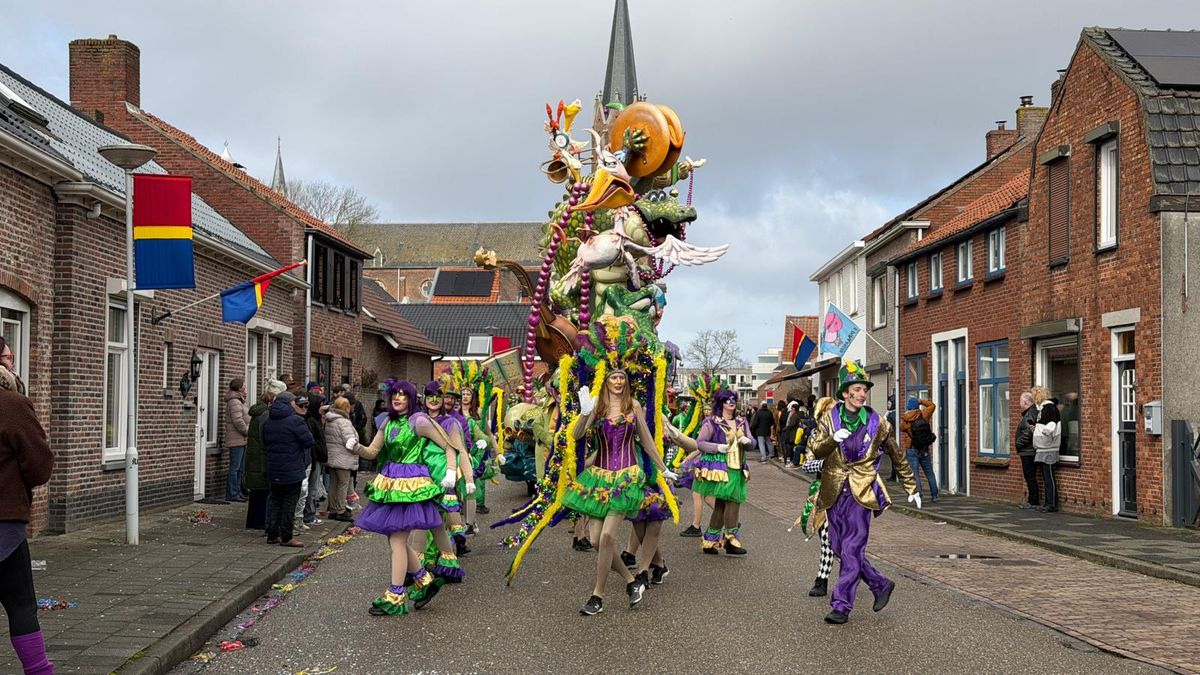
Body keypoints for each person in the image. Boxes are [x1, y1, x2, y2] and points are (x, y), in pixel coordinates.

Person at [808, 361, 919, 624]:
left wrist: (911, 486)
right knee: (838, 547)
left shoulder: (877, 422)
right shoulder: (829, 419)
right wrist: (832, 440)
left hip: (862, 492)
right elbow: (815, 450)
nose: (861, 394)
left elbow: (897, 454)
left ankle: (841, 605)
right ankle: (880, 584)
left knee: (852, 548)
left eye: (864, 390)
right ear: (845, 393)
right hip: (833, 491)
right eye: (856, 390)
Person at [564, 369, 677, 616]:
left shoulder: (632, 405)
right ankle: (630, 581)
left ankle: (597, 596)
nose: (618, 381)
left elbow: (646, 441)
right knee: (594, 540)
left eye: (621, 378)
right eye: (613, 377)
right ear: (605, 381)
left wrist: (663, 468)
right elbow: (576, 434)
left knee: (606, 537)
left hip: (626, 479)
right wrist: (584, 414)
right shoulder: (598, 406)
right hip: (598, 479)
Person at [349, 379, 462, 616]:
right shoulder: (387, 422)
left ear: (411, 399)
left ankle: (396, 595)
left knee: (397, 541)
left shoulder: (419, 421)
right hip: (391, 483)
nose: (397, 399)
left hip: (412, 484)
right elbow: (372, 451)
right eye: (394, 395)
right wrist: (355, 447)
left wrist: (451, 471)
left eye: (403, 395)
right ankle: (423, 581)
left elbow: (449, 446)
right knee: (395, 538)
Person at [0, 337, 55, 675]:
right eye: (7, 356)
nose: (12, 361)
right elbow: (39, 465)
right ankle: (39, 671)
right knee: (21, 605)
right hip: (3, 526)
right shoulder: (12, 404)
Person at [693, 390, 754, 555]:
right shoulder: (712, 421)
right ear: (720, 403)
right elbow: (700, 443)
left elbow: (753, 442)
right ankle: (731, 541)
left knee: (720, 506)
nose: (731, 402)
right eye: (727, 400)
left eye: (733, 400)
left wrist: (748, 441)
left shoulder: (742, 421)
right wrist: (717, 447)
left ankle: (710, 542)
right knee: (733, 503)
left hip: (738, 468)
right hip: (721, 469)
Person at [262, 391, 314, 547]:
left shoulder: (268, 421)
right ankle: (286, 537)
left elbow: (264, 442)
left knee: (276, 501)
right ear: (289, 404)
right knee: (289, 503)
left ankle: (272, 534)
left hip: (274, 467)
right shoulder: (296, 421)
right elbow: (309, 441)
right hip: (292, 469)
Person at [245, 380, 286, 530]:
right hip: (261, 459)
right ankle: (259, 522)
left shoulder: (259, 413)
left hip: (256, 458)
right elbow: (265, 438)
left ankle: (255, 521)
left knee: (257, 493)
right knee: (262, 492)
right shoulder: (265, 415)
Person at [325, 397, 360, 522]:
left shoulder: (330, 419)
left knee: (333, 484)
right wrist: (360, 449)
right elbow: (349, 441)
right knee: (343, 484)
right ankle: (341, 510)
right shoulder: (343, 422)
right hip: (343, 457)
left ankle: (333, 509)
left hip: (332, 456)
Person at [901, 397, 939, 503]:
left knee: (915, 473)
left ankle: (919, 495)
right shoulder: (924, 414)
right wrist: (921, 401)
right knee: (929, 472)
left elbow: (901, 428)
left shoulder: (905, 418)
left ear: (908, 406)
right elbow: (932, 405)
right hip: (924, 448)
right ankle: (935, 495)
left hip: (911, 448)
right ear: (917, 405)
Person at [1031, 386, 1061, 512]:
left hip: (1048, 448)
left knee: (1049, 477)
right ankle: (1048, 502)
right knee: (1046, 477)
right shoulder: (1044, 409)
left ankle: (1051, 504)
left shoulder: (1049, 408)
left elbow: (1052, 425)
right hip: (1043, 448)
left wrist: (1044, 431)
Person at [223, 378, 251, 502]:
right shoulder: (234, 401)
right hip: (237, 439)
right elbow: (238, 420)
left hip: (241, 439)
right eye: (244, 386)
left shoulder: (239, 400)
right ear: (239, 388)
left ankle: (238, 492)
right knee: (235, 468)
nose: (245, 388)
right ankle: (232, 493)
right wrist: (247, 431)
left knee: (240, 468)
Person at [1014, 391, 1040, 509]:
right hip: (1030, 450)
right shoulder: (1031, 413)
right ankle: (1032, 500)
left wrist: (1018, 444)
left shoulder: (1029, 415)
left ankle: (1033, 501)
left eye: (1020, 401)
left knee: (1029, 476)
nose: (1019, 403)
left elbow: (1029, 433)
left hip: (1028, 451)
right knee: (1031, 476)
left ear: (1025, 402)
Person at [781, 400, 801, 468]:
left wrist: (786, 428)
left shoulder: (794, 416)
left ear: (794, 409)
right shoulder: (796, 415)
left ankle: (792, 461)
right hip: (793, 433)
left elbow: (791, 424)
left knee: (791, 447)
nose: (791, 409)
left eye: (792, 408)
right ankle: (791, 460)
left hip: (792, 434)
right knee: (791, 447)